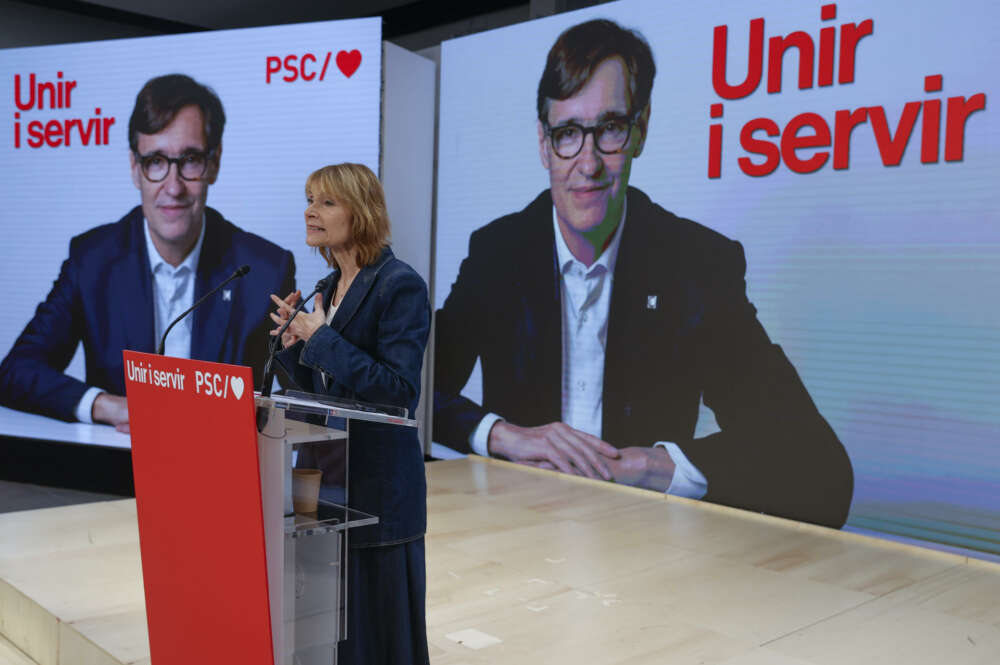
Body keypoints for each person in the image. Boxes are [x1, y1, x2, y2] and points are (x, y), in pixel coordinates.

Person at [433, 19, 854, 528]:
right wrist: (502, 435)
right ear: (543, 144)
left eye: (609, 129)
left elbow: (820, 466)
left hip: (642, 554)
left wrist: (657, 467)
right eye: (567, 133)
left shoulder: (697, 265)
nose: (587, 164)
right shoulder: (497, 253)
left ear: (640, 130)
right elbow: (406, 392)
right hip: (519, 539)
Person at [0, 74, 296, 431]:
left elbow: (311, 396)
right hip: (114, 475)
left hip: (222, 473)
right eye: (155, 161)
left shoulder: (263, 270)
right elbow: (16, 371)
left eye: (189, 160)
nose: (172, 187)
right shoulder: (92, 259)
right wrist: (108, 406)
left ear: (213, 163)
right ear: (134, 168)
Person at [270, 163, 430, 664]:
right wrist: (290, 343)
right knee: (326, 630)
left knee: (373, 636)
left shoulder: (398, 285)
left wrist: (321, 338)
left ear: (360, 212)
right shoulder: (326, 285)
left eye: (325, 202)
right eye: (309, 198)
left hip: (376, 488)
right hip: (325, 479)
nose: (309, 211)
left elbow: (398, 392)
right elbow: (319, 393)